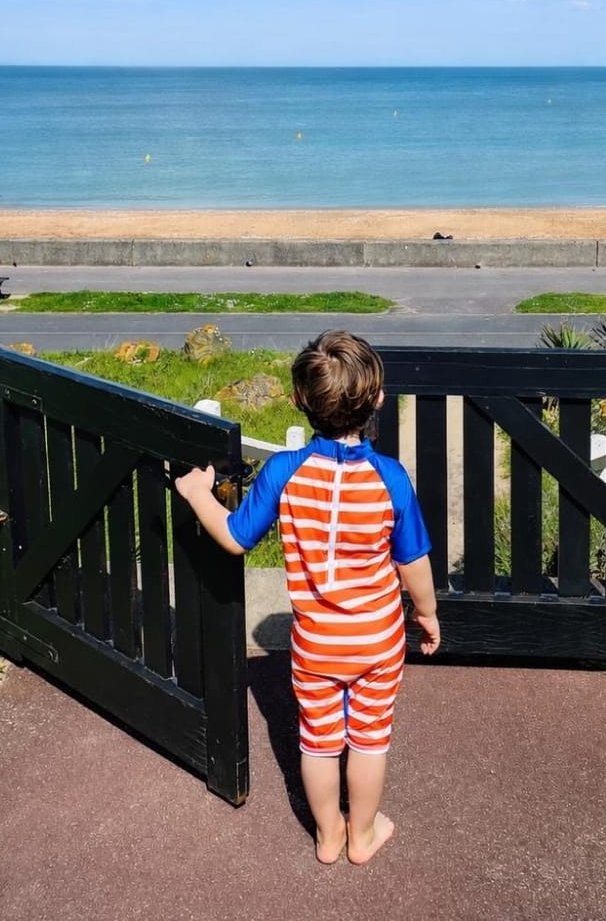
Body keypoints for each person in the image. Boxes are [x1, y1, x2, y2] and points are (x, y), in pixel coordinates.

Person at [174, 329, 440, 867]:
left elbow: (235, 537)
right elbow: (413, 562)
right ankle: (362, 834)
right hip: (377, 641)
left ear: (299, 400)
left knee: (318, 742)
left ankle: (329, 835)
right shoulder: (390, 479)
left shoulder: (284, 472)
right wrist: (427, 613)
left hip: (315, 643)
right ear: (378, 399)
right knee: (369, 740)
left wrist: (199, 493)